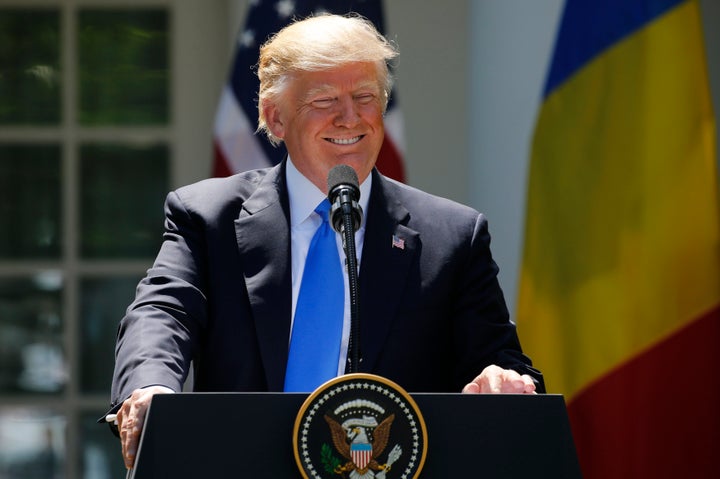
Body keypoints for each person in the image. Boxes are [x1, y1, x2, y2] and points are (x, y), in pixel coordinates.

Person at [108, 13, 544, 470]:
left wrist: (502, 378)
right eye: (324, 100)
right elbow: (162, 312)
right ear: (275, 118)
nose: (350, 117)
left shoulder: (451, 236)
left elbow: (498, 360)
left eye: (364, 97)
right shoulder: (208, 216)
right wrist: (151, 385)